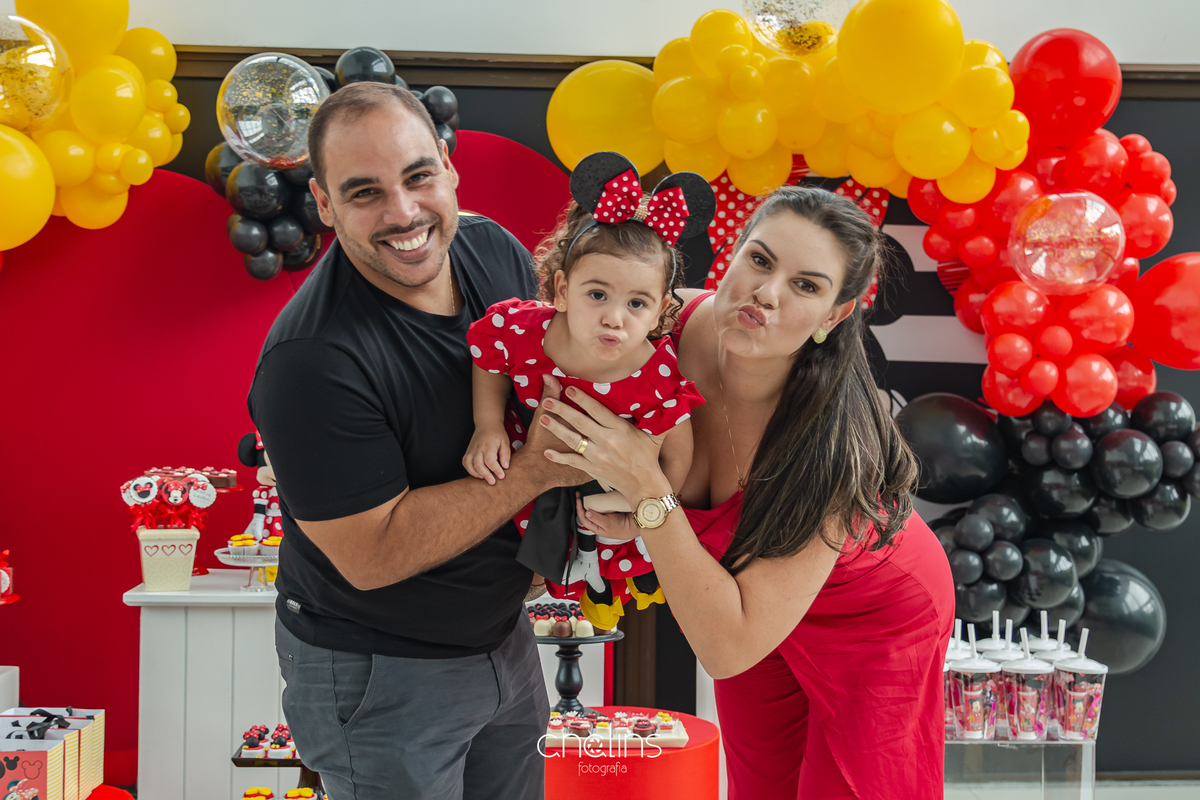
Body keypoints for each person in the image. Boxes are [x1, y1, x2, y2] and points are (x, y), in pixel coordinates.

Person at [537, 186, 955, 798]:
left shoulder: (833, 453)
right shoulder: (658, 325)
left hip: (874, 617)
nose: (767, 293)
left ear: (834, 317)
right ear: (731, 254)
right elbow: (536, 343)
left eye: (805, 286)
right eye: (759, 260)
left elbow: (725, 649)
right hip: (745, 590)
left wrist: (650, 495)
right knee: (761, 785)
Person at [248, 81, 579, 800]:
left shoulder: (491, 249)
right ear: (325, 204)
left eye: (418, 176)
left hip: (504, 638)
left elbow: (546, 382)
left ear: (449, 169)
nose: (403, 213)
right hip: (379, 670)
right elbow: (372, 554)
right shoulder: (311, 361)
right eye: (365, 192)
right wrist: (536, 472)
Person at [462, 151, 708, 628]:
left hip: (603, 492)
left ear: (659, 313)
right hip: (523, 466)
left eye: (637, 303)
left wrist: (640, 517)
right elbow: (488, 358)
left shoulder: (656, 375)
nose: (614, 318)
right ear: (561, 290)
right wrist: (487, 423)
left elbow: (677, 457)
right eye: (597, 295)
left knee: (596, 553)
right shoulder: (523, 329)